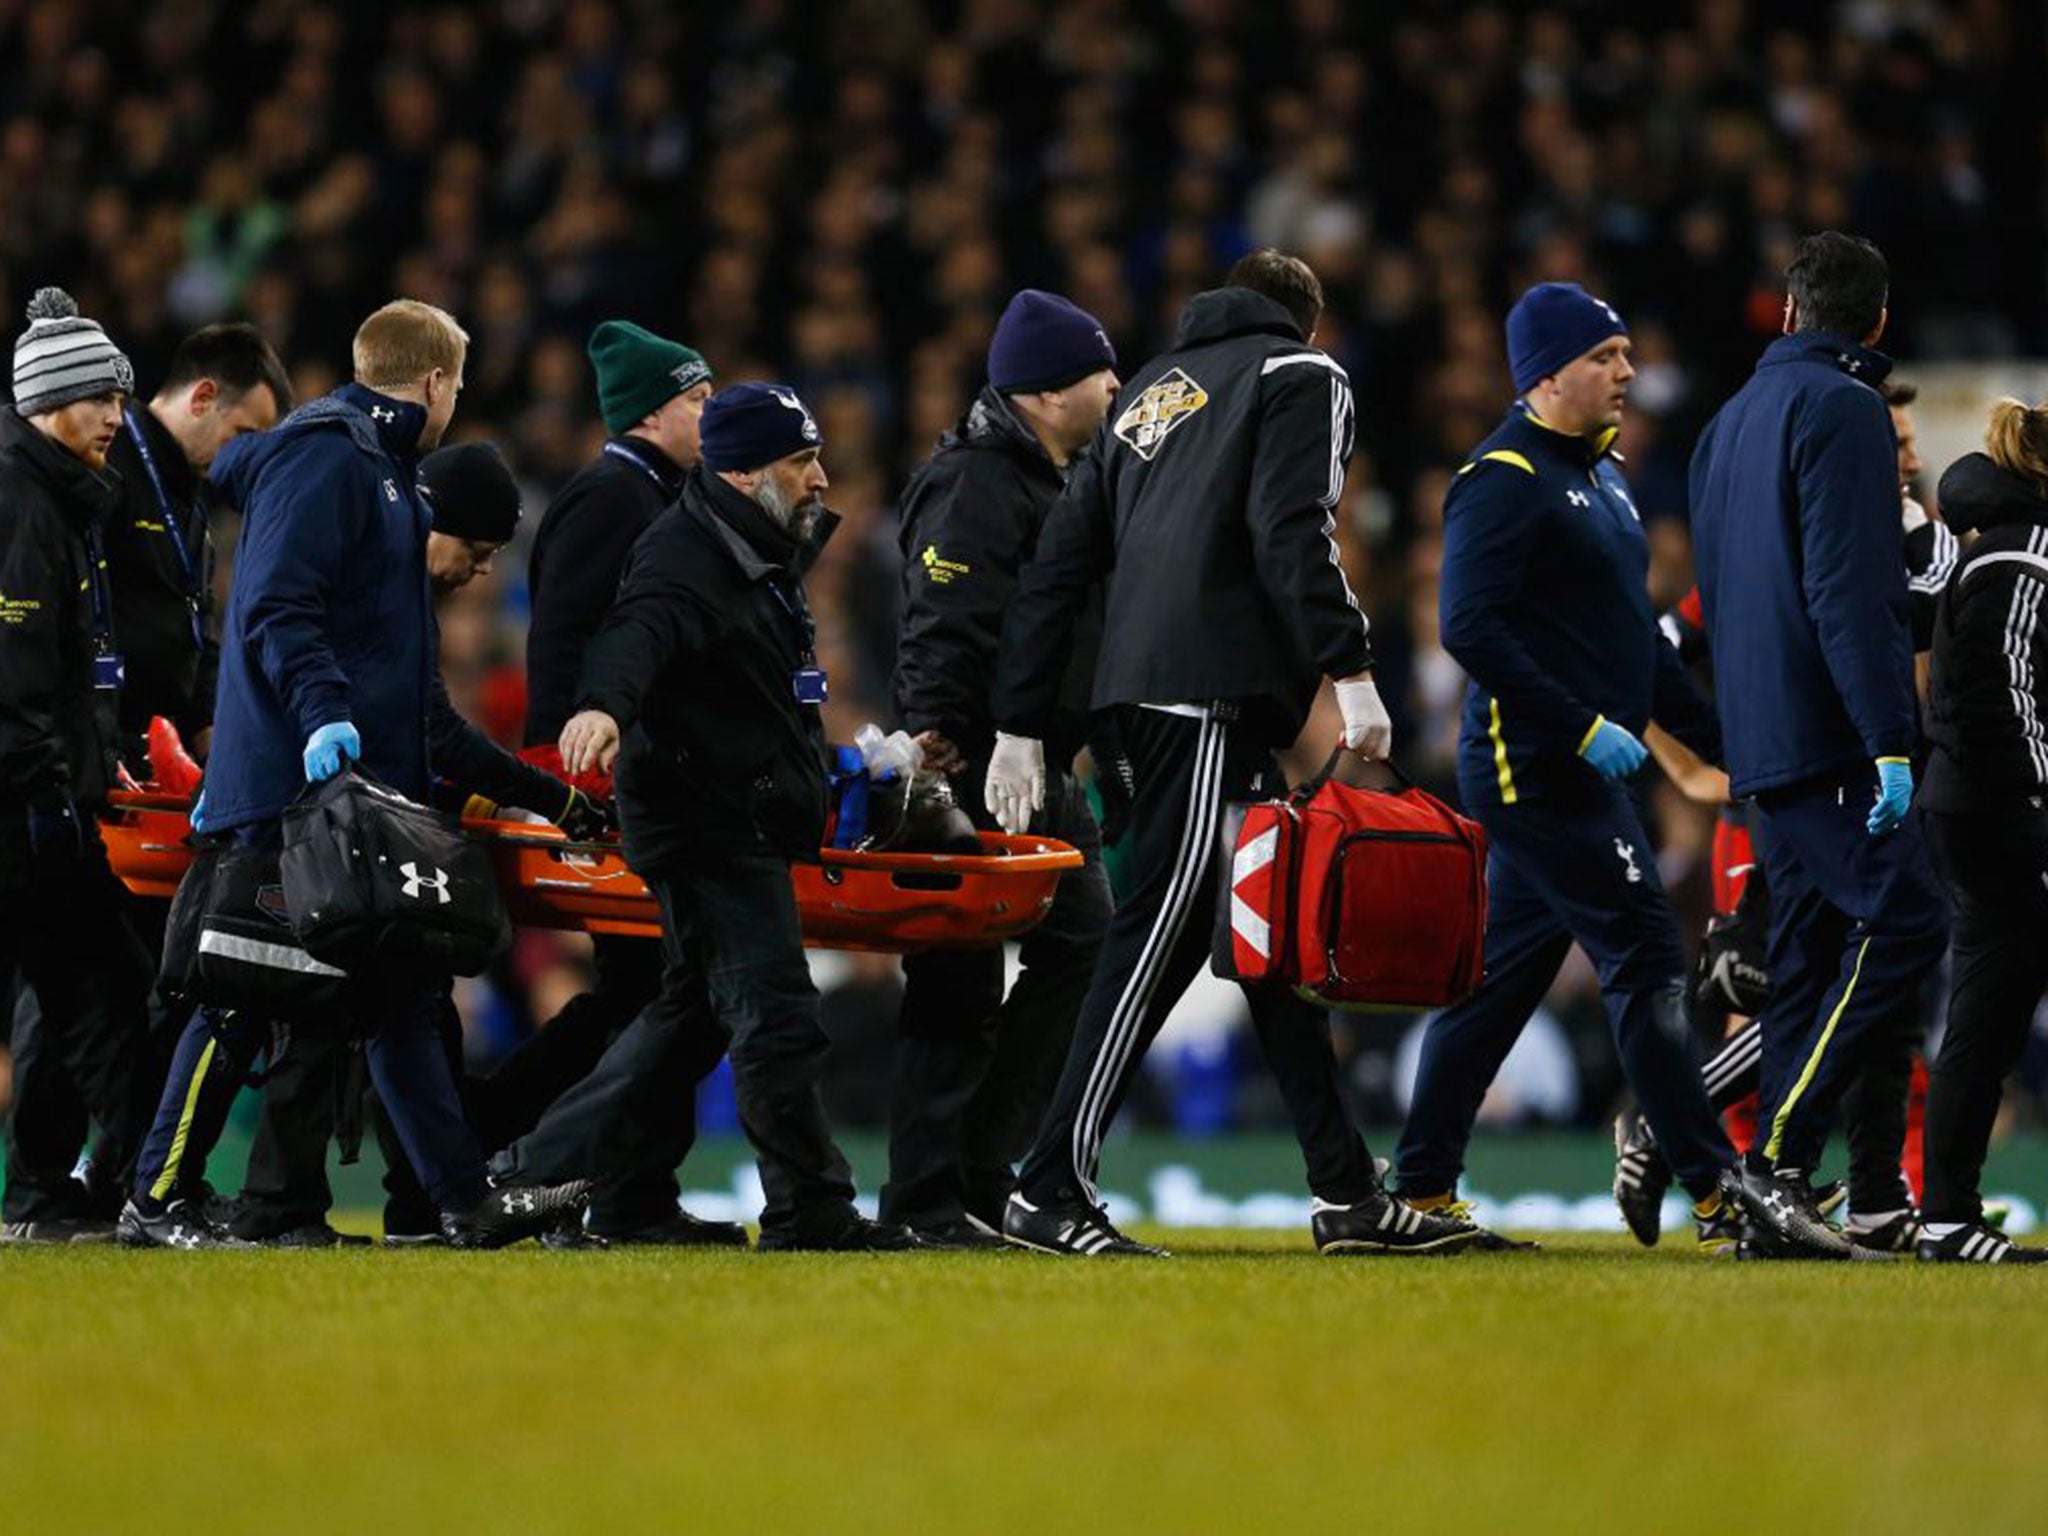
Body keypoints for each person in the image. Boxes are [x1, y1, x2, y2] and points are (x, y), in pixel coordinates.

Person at [986, 249, 1479, 1259]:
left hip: (1140, 693)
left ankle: (1345, 1192)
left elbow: (1060, 568)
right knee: (1158, 933)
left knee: (1270, 938)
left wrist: (1023, 718)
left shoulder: (1147, 400)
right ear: (1307, 318)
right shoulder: (1302, 373)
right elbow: (1290, 526)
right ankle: (1046, 1188)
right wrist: (1349, 673)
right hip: (1205, 690)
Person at [118, 299, 587, 1249]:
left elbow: (418, 711)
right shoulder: (326, 456)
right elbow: (280, 609)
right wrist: (324, 717)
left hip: (354, 809)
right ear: (434, 383)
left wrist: (555, 796)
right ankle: (153, 1200)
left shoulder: (389, 481)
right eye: (457, 382)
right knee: (244, 995)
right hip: (293, 798)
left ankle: (464, 1203)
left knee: (404, 996)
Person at [489, 382, 916, 1251]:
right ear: (743, 469)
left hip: (733, 817)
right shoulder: (685, 553)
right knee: (778, 1016)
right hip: (709, 826)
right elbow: (634, 634)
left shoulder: (747, 547)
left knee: (686, 1026)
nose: (821, 479)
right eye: (802, 463)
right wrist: (602, 708)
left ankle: (527, 1174)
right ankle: (812, 1210)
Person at [1387, 282, 1742, 1251]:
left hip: (1576, 769)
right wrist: (1581, 726)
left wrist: (1721, 744)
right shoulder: (1500, 476)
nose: (1626, 372)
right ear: (1544, 374)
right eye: (1604, 356)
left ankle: (1415, 1190)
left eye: (1626, 354)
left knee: (1499, 982)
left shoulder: (1602, 475)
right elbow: (1467, 625)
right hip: (1532, 769)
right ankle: (1716, 1195)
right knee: (1645, 958)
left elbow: (1638, 645)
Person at [226, 441, 615, 1247]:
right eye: (474, 552)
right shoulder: (378, 592)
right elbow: (433, 731)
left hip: (327, 824)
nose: (479, 574)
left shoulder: (387, 585)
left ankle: (427, 1200)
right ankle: (277, 1202)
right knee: (340, 1013)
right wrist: (554, 797)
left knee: (393, 1010)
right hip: (311, 827)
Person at [1616, 376, 1952, 1253]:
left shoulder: (1900, 535)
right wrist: (1695, 770)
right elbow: (1652, 652)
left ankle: (1869, 1197)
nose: (1910, 456)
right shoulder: (1802, 551)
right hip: (1786, 800)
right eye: (1897, 440)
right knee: (1788, 993)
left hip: (1870, 789)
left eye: (1912, 442)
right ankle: (1698, 1144)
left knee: (1870, 999)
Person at [1688, 232, 1949, 1260]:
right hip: (1832, 733)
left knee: (1798, 965)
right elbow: (1850, 588)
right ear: (1875, 322)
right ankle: (1775, 1163)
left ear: (1788, 314)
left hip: (1757, 739)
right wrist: (1886, 737)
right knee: (1905, 920)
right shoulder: (1842, 408)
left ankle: (1778, 1206)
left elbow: (1725, 593)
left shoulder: (1722, 425)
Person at [884, 289, 1119, 1246]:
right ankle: (934, 1198)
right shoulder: (978, 481)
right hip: (983, 764)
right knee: (961, 983)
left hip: (1041, 763)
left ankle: (976, 1174)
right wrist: (943, 746)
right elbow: (941, 626)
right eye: (1101, 371)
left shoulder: (1048, 477)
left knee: (1086, 947)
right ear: (1049, 392)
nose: (1116, 384)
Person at [483, 320, 725, 1243]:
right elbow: (577, 660)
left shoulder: (648, 493)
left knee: (646, 993)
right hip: (604, 781)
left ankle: (611, 1187)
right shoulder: (609, 500)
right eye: (699, 399)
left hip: (628, 778)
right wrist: (586, 769)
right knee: (655, 991)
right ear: (656, 411)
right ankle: (549, 1163)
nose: (711, 412)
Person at [0, 288, 157, 1243]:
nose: (116, 418)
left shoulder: (56, 499)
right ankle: (151, 1193)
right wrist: (47, 797)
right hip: (22, 807)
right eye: (103, 397)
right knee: (102, 994)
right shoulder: (26, 506)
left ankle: (126, 1191)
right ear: (53, 397)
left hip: (36, 800)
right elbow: (15, 678)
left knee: (94, 996)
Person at [1915, 401, 2048, 1262]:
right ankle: (1946, 1215)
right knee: (1984, 1017)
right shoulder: (2024, 559)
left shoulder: (1990, 550)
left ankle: (1948, 1217)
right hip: (2007, 813)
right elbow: (2011, 695)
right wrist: (2038, 806)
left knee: (1986, 1019)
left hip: (1975, 808)